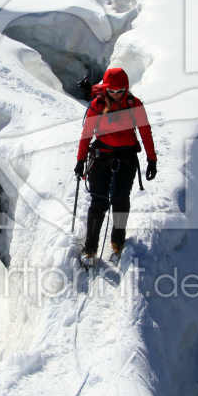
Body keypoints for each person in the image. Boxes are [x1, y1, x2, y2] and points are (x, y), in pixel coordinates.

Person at [74, 67, 157, 264]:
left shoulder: (134, 104)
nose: (116, 95)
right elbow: (86, 134)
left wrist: (152, 159)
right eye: (113, 91)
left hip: (126, 157)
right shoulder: (97, 104)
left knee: (120, 201)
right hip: (101, 157)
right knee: (99, 203)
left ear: (126, 89)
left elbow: (145, 132)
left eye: (121, 91)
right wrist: (80, 160)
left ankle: (117, 243)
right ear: (106, 89)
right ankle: (90, 248)